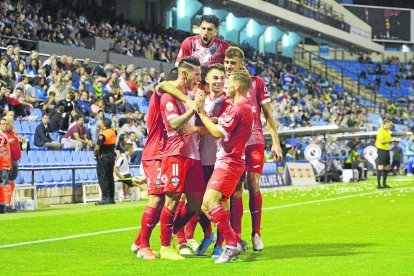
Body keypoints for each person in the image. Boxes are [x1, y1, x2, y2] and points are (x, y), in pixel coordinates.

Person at [131, 66, 198, 260]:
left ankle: (138, 242)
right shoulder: (163, 95)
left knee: (166, 199)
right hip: (155, 153)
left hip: (163, 153)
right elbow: (163, 85)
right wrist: (188, 100)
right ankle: (144, 246)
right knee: (158, 200)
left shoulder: (172, 99)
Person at [223, 46, 283, 251]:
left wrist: (275, 141)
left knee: (253, 183)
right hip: (234, 144)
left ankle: (256, 233)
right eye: (226, 63)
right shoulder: (223, 85)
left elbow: (268, 114)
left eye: (233, 63)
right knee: (236, 190)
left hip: (255, 140)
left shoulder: (256, 83)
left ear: (242, 63)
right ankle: (237, 237)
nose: (229, 67)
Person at [196, 69, 253, 263]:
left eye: (228, 82)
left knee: (209, 203)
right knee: (209, 204)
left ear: (237, 86)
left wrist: (201, 113)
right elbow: (225, 126)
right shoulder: (242, 106)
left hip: (229, 162)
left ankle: (231, 244)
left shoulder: (239, 107)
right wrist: (215, 120)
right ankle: (234, 240)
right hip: (229, 161)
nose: (225, 85)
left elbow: (218, 133)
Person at [158, 56, 205, 260]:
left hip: (193, 156)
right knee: (172, 200)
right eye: (197, 74)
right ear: (184, 74)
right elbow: (175, 123)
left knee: (196, 203)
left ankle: (173, 229)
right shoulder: (169, 97)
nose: (199, 79)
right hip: (175, 154)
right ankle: (165, 247)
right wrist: (192, 109)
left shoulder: (189, 95)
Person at [94, 118, 117, 205]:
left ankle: (105, 198)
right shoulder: (112, 132)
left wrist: (95, 155)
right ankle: (111, 198)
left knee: (103, 178)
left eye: (101, 123)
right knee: (110, 178)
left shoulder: (103, 135)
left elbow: (97, 148)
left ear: (104, 125)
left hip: (104, 158)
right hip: (111, 157)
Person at [375, 117, 399, 189]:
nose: (391, 126)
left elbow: (388, 142)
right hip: (381, 150)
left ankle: (384, 184)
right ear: (386, 123)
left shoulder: (388, 131)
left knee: (386, 167)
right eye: (390, 124)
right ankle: (379, 184)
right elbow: (382, 141)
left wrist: (393, 140)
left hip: (387, 150)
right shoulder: (380, 130)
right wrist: (391, 139)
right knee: (381, 166)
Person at [4, 116, 20, 212]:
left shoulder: (12, 133)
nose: (11, 124)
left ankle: (8, 204)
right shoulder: (3, 134)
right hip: (7, 161)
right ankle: (5, 205)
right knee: (6, 183)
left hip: (14, 160)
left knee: (11, 182)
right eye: (10, 123)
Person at [0, 118, 12, 214]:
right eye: (2, 124)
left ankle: (2, 205)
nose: (4, 126)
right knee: (5, 184)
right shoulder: (1, 136)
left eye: (5, 124)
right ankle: (6, 205)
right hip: (3, 164)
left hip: (5, 163)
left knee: (3, 184)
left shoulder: (4, 135)